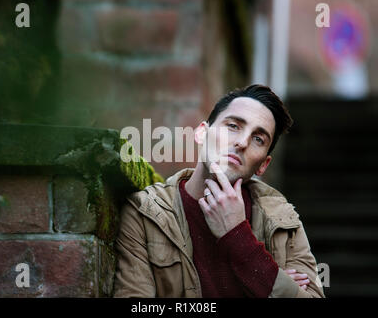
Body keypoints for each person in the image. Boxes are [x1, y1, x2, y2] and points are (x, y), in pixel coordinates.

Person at [113, 84, 325, 298]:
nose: (242, 142)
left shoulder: (281, 220)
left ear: (263, 165)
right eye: (233, 126)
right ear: (202, 133)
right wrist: (267, 282)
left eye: (258, 139)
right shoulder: (146, 213)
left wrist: (238, 237)